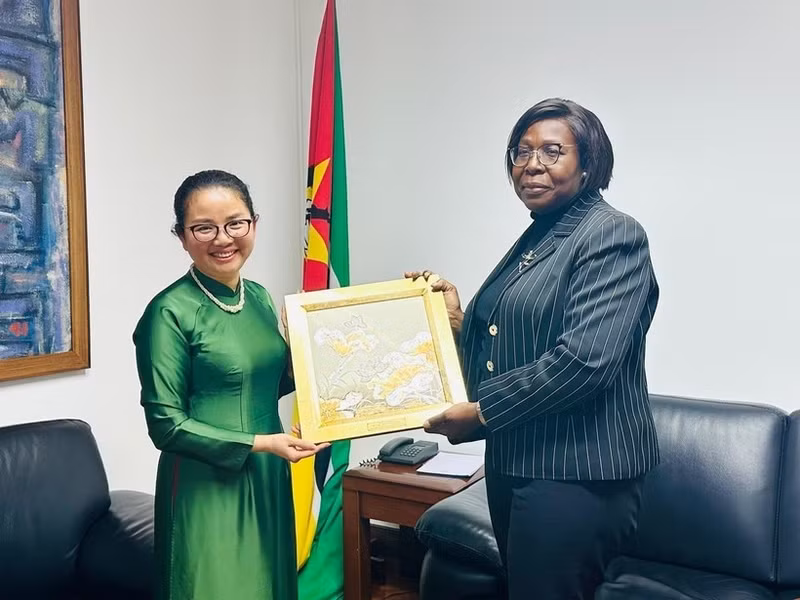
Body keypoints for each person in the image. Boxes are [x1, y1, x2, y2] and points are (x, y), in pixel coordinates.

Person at [407, 98, 659, 599]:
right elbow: (511, 343)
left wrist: (481, 413)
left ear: (588, 163)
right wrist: (455, 321)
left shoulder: (612, 234)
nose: (532, 164)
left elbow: (584, 363)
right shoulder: (541, 234)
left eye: (551, 151)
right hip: (516, 462)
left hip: (575, 474)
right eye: (521, 152)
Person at [133, 169, 328, 600]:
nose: (223, 239)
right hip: (206, 483)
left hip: (269, 472)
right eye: (204, 228)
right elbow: (166, 425)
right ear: (182, 237)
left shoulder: (257, 296)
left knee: (269, 587)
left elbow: (265, 383)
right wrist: (262, 443)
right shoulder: (167, 313)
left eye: (235, 223)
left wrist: (311, 353)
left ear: (254, 224)